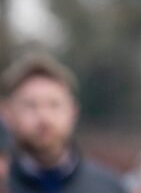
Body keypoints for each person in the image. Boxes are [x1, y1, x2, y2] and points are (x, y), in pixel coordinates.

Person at [0, 53, 125, 193]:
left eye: (54, 105)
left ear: (73, 112)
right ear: (8, 113)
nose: (44, 117)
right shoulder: (4, 184)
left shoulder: (108, 188)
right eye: (30, 105)